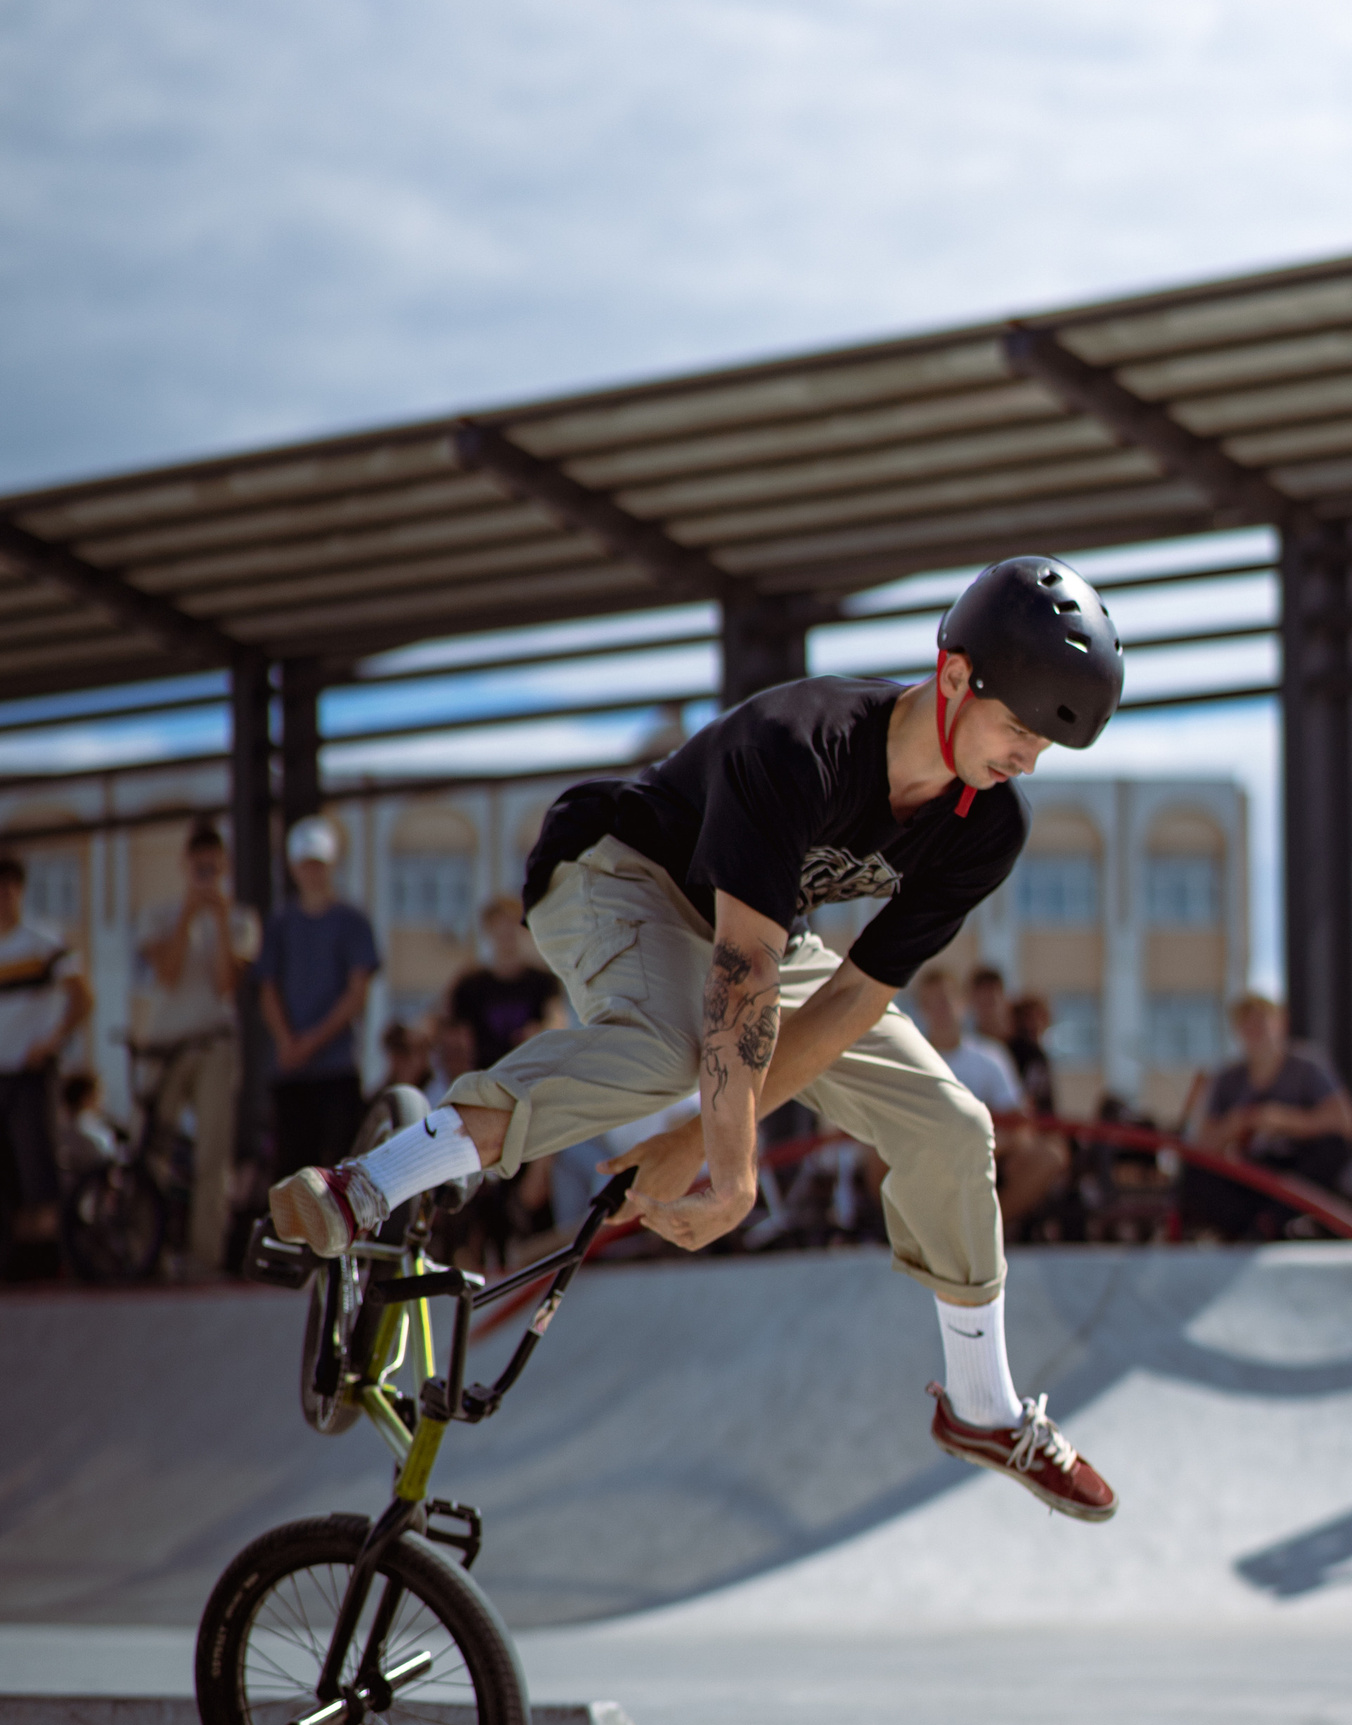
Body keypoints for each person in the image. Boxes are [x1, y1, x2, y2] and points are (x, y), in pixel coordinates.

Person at [269, 554, 1124, 1520]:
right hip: (618, 871)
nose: (1026, 760)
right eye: (1020, 731)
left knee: (952, 1126)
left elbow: (850, 997)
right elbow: (739, 980)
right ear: (957, 677)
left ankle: (981, 1407)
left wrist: (701, 1139)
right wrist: (732, 1167)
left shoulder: (986, 827)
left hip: (758, 933)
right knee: (678, 1047)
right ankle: (369, 1182)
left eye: (1045, 747)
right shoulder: (801, 744)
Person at [135, 819, 261, 1274]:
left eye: (214, 866)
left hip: (214, 1043)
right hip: (167, 1043)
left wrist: (221, 920)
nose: (206, 874)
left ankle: (205, 1256)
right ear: (185, 865)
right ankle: (143, 1250)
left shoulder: (241, 919)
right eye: (199, 866)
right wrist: (188, 914)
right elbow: (167, 975)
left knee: (213, 1154)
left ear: (224, 866)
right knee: (152, 1147)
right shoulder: (159, 916)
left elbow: (227, 984)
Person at [256, 818, 381, 1174]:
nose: (312, 873)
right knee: (292, 1173)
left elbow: (357, 993)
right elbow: (267, 988)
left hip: (336, 1069)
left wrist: (309, 1044)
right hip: (291, 1073)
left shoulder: (352, 921)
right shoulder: (279, 924)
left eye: (319, 864)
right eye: (306, 864)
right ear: (293, 867)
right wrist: (287, 1043)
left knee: (342, 1171)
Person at [1185, 993, 1352, 1237]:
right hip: (1253, 1173)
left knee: (1332, 1148)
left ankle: (1271, 1223)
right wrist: (1235, 1125)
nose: (1254, 1031)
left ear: (1280, 1024)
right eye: (1246, 1024)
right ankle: (1250, 1230)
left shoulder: (1307, 1067)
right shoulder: (1226, 1079)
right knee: (1195, 1172)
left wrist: (1284, 1121)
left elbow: (1345, 1123)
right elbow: (1201, 1146)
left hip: (1299, 1172)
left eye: (1261, 1022)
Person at [914, 965, 1067, 1232]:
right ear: (921, 1010)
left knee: (1049, 1155)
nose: (941, 1011)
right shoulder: (909, 1060)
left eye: (946, 1001)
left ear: (962, 1004)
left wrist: (982, 1148)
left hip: (985, 1158)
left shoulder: (991, 1056)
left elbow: (1018, 1124)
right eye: (931, 1003)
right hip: (927, 1158)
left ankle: (984, 1230)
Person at [0, 851, 91, 1277]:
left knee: (37, 1167)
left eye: (8, 888)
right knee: (8, 1175)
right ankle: (18, 1263)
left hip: (30, 1073)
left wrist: (52, 1040)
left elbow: (82, 995)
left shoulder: (42, 942)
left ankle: (50, 1259)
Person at [449, 897, 563, 1068]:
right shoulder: (470, 983)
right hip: (485, 1073)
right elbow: (448, 1029)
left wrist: (540, 1034)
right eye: (500, 925)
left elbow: (557, 1022)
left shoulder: (543, 980)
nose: (507, 931)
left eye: (513, 923)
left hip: (531, 1070)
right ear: (488, 930)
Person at [1007, 992, 1057, 1116]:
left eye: (1038, 1017)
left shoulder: (1040, 1056)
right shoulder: (1009, 1051)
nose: (1033, 1024)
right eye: (1027, 1018)